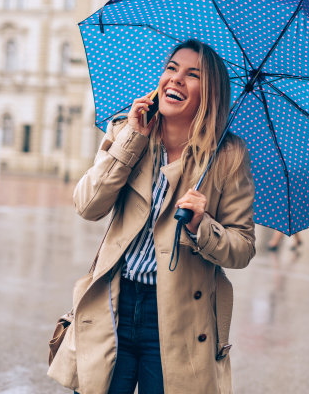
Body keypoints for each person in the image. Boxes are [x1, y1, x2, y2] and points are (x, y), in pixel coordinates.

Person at [47, 39, 256, 394]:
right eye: (171, 68)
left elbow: (242, 247)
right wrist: (132, 140)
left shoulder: (228, 156)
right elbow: (88, 205)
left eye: (193, 75)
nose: (175, 79)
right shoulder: (126, 130)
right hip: (116, 302)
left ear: (211, 93)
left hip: (180, 319)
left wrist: (200, 226)